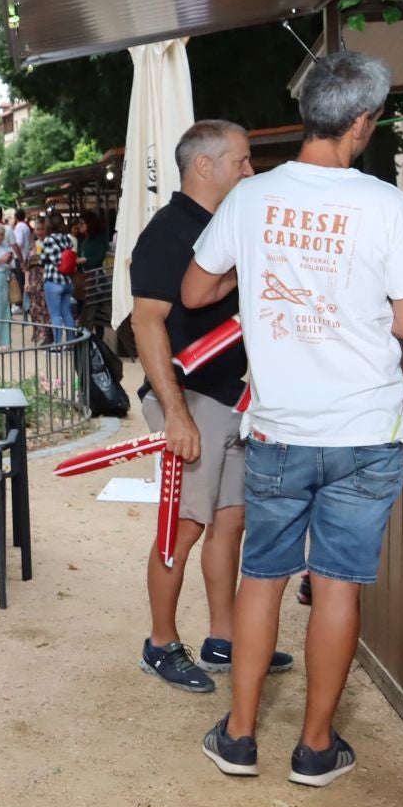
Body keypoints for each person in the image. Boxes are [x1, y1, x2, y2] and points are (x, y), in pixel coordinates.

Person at [184, 50, 403, 788]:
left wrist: (256, 271)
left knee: (261, 578)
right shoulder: (383, 204)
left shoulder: (251, 199)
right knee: (337, 585)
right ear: (361, 122)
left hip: (279, 431)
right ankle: (316, 748)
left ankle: (238, 738)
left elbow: (198, 290)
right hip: (364, 433)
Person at [129, 120, 294, 693]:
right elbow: (145, 323)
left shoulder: (224, 223)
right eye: (241, 161)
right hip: (187, 396)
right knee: (185, 524)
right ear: (205, 166)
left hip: (231, 394)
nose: (250, 171)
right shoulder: (168, 231)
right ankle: (159, 643)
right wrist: (175, 413)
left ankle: (224, 638)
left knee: (230, 521)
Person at [39, 215, 81, 333]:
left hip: (53, 281)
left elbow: (42, 259)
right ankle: (70, 342)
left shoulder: (48, 240)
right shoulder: (67, 238)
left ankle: (58, 345)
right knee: (67, 313)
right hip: (67, 281)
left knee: (55, 315)